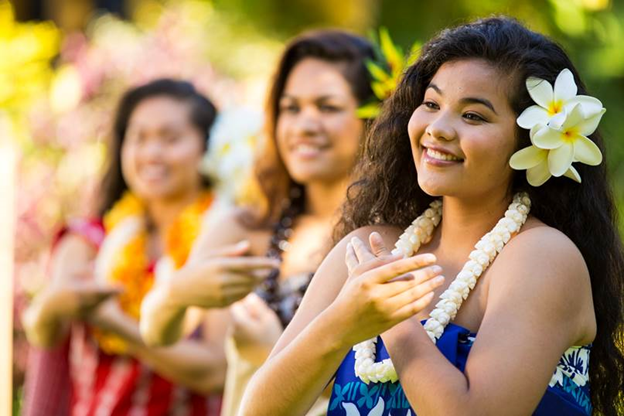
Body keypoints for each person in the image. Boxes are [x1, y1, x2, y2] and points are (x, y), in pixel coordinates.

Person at [239, 17, 624, 416]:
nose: (437, 129)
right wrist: (341, 322)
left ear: (530, 140)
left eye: (473, 116)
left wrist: (395, 322)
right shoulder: (368, 249)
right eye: (432, 104)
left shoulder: (542, 258)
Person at [139, 30, 377, 416]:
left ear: (375, 118)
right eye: (291, 108)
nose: (304, 125)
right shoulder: (246, 227)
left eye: (328, 107)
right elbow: (156, 333)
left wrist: (272, 351)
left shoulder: (392, 239)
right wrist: (179, 291)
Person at [22, 79, 227, 415]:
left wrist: (112, 320)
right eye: (139, 138)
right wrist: (53, 304)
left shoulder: (221, 240)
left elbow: (215, 370)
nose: (151, 153)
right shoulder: (88, 240)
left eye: (170, 138)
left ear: (208, 147)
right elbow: (44, 332)